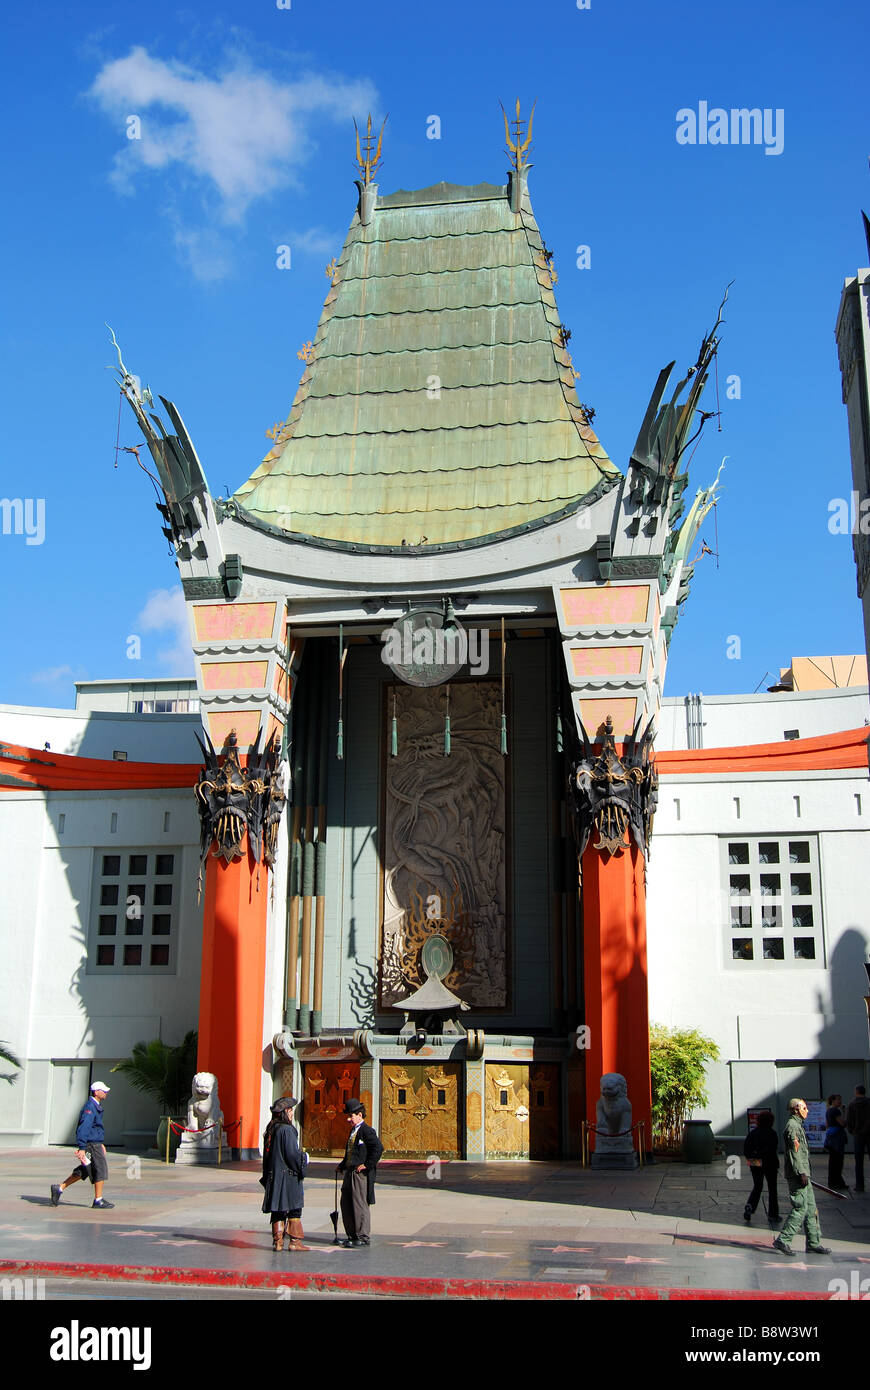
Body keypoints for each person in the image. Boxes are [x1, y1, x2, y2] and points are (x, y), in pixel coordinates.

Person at [773, 1097, 831, 1256]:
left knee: (811, 1209)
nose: (807, 1110)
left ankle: (813, 1243)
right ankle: (783, 1240)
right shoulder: (792, 1126)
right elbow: (794, 1152)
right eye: (804, 1108)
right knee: (800, 1207)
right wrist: (801, 1172)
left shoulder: (798, 1125)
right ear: (796, 1110)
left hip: (804, 1173)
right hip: (799, 1174)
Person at [50, 1081, 114, 1209]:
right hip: (91, 1145)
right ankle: (98, 1200)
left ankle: (59, 1188)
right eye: (103, 1090)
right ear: (96, 1092)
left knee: (85, 1169)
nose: (106, 1092)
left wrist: (99, 1143)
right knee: (99, 1169)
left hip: (94, 1143)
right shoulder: (90, 1107)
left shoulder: (94, 1106)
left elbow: (93, 1128)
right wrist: (82, 1148)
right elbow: (84, 1127)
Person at [260, 1096, 307, 1251]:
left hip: (275, 1176)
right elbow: (292, 1155)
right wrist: (303, 1159)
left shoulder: (271, 1129)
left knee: (278, 1209)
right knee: (294, 1207)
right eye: (291, 1110)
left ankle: (278, 1241)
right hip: (288, 1176)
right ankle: (295, 1242)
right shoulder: (286, 1130)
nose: (292, 1113)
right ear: (286, 1112)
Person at [336, 1098, 383, 1248]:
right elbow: (350, 1152)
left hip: (359, 1175)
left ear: (360, 1115)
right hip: (349, 1172)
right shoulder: (353, 1131)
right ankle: (351, 1234)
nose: (349, 1119)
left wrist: (367, 1165)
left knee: (359, 1204)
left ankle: (362, 1236)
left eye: (351, 1116)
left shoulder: (367, 1131)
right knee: (346, 1203)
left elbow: (378, 1149)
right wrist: (342, 1165)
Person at [743, 1110, 779, 1224]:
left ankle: (750, 1206)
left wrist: (753, 1158)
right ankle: (773, 1214)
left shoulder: (753, 1133)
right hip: (770, 1162)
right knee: (772, 1188)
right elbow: (773, 1149)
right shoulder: (772, 1133)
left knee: (757, 1186)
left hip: (755, 1161)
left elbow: (746, 1150)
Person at [846, 1084, 870, 1193]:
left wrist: (853, 1131)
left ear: (856, 1092)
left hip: (858, 1135)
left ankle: (860, 1186)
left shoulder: (852, 1104)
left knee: (859, 1162)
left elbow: (849, 1120)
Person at [823, 1094, 848, 1191]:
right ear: (833, 1101)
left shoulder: (828, 1110)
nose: (840, 1102)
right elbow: (843, 1123)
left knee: (833, 1160)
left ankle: (833, 1182)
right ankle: (838, 1182)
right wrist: (844, 1112)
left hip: (830, 1137)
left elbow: (827, 1125)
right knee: (838, 1161)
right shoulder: (836, 1111)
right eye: (838, 1100)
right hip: (837, 1138)